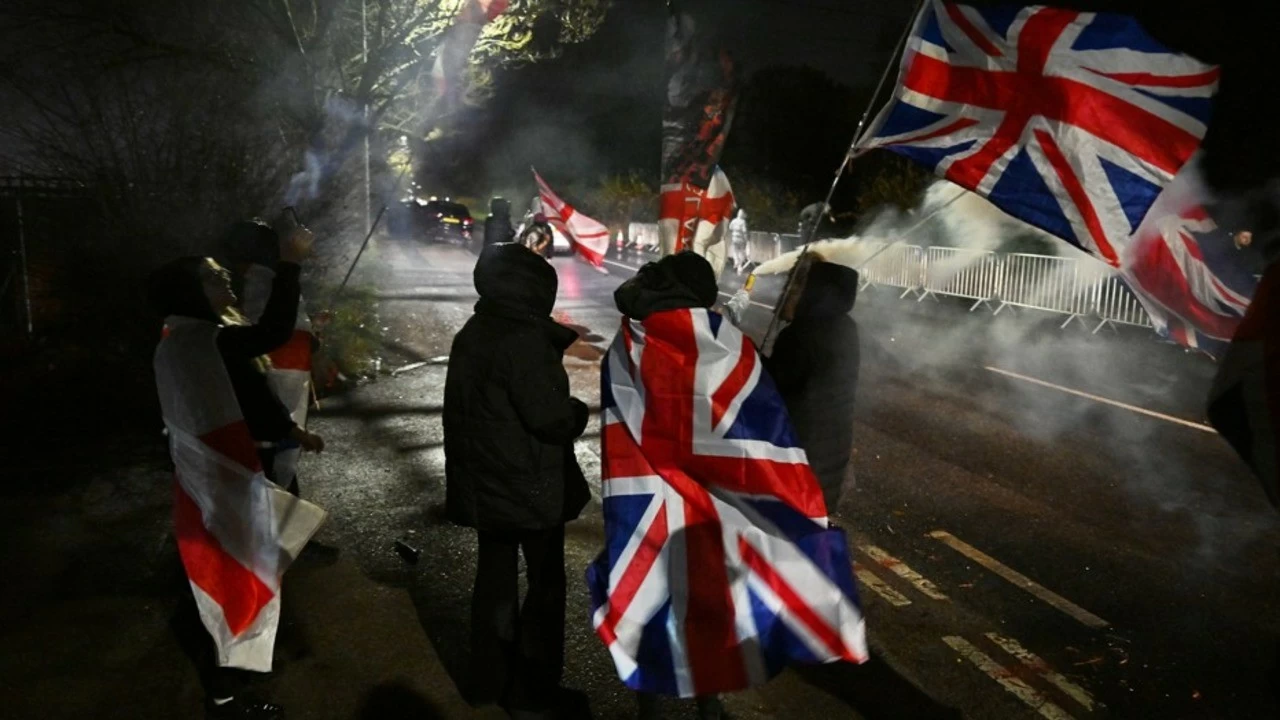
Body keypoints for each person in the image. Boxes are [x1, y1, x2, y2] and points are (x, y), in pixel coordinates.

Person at [149, 226, 325, 720]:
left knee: (244, 572)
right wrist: (291, 262)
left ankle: (229, 686)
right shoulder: (200, 339)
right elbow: (270, 336)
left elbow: (248, 389)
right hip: (225, 477)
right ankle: (226, 698)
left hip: (228, 470)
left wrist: (289, 427)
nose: (223, 279)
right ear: (189, 292)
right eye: (211, 278)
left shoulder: (192, 337)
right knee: (238, 580)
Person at [443, 241, 591, 719]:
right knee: (545, 589)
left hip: (486, 482)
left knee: (494, 583)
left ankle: (487, 681)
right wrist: (577, 411)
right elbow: (551, 419)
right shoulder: (524, 341)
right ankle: (533, 693)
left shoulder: (476, 329)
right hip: (527, 487)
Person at [610, 251, 727, 720]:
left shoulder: (631, 337)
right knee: (705, 599)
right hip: (702, 495)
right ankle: (709, 703)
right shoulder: (716, 342)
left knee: (648, 599)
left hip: (641, 492)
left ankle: (651, 707)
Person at [223, 219, 318, 496]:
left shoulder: (257, 282)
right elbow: (275, 330)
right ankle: (280, 519)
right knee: (275, 453)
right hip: (275, 385)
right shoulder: (265, 281)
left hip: (273, 383)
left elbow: (276, 330)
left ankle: (280, 518)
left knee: (275, 453)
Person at [763, 256, 861, 515]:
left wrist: (749, 355)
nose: (784, 294)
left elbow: (771, 390)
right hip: (830, 460)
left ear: (810, 292)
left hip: (803, 461)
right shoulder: (843, 327)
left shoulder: (803, 334)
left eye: (792, 287)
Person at [729, 208, 749, 274]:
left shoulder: (734, 221)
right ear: (742, 215)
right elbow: (745, 231)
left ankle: (736, 262)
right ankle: (739, 267)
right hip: (741, 239)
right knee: (741, 252)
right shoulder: (743, 222)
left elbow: (730, 227)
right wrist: (746, 240)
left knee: (735, 251)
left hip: (734, 238)